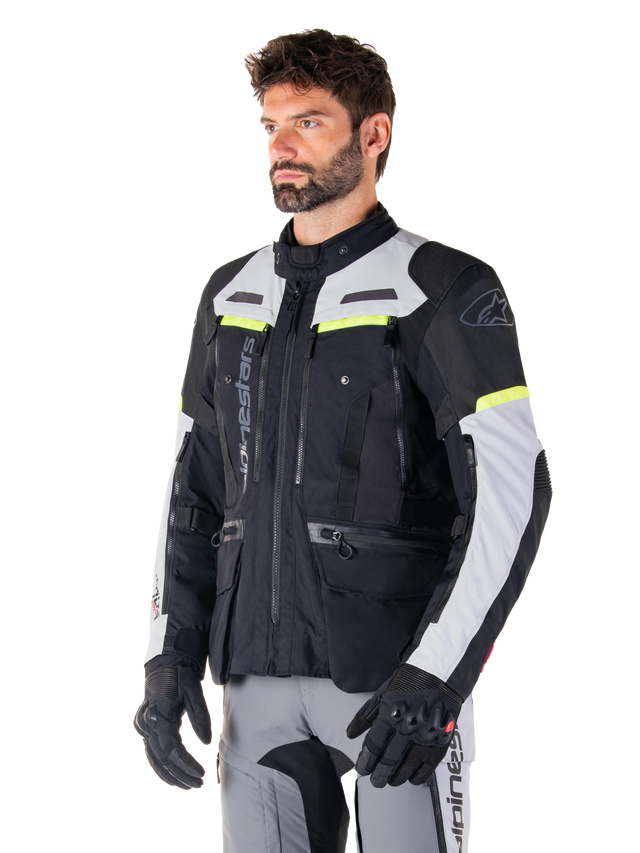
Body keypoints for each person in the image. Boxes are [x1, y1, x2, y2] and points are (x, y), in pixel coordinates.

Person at [132, 26, 553, 853]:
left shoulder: (444, 287)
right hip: (253, 685)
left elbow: (514, 491)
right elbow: (190, 490)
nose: (280, 146)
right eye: (270, 124)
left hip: (393, 689)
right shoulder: (228, 293)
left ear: (374, 133)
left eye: (309, 122)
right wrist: (166, 653)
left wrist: (440, 672)